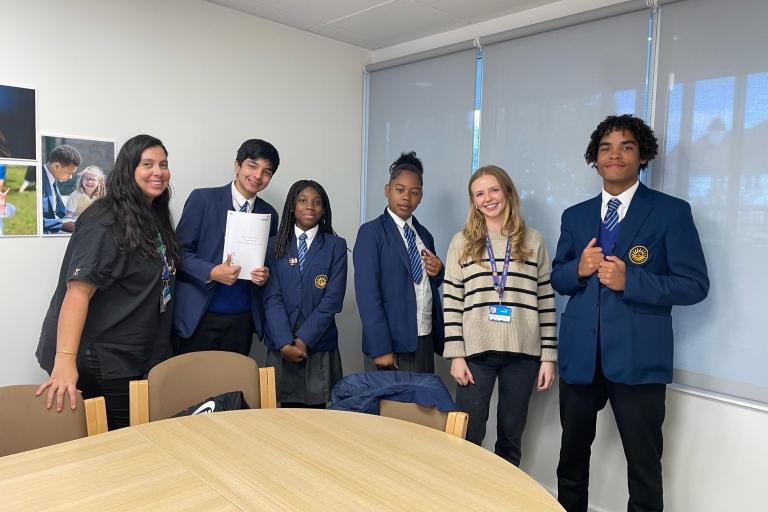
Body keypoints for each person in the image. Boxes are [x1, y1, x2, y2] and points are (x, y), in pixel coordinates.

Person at [552, 114, 709, 512]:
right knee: (570, 461)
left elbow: (694, 285)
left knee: (643, 466)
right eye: (605, 147)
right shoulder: (575, 215)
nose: (614, 154)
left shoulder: (671, 212)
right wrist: (579, 269)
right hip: (580, 360)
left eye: (626, 146)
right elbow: (559, 277)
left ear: (642, 156)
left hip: (639, 360)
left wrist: (632, 281)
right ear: (595, 159)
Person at [35, 134, 181, 430]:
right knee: (123, 444)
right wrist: (64, 362)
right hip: (106, 356)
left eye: (163, 164)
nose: (158, 172)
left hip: (140, 350)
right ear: (128, 169)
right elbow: (77, 293)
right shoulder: (105, 218)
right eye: (148, 164)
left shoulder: (152, 215)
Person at [442, 165, 557, 466]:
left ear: (507, 191)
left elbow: (545, 300)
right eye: (479, 194)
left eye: (494, 190)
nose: (488, 198)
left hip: (523, 353)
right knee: (467, 434)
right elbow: (452, 301)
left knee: (511, 436)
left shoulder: (533, 241)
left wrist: (548, 357)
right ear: (473, 201)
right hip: (475, 353)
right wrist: (456, 354)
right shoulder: (461, 243)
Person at [172, 139, 279, 356]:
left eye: (266, 172)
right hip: (199, 315)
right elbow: (179, 253)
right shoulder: (203, 199)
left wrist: (264, 274)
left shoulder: (269, 214)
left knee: (233, 386)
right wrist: (212, 272)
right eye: (252, 165)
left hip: (243, 318)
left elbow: (267, 262)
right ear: (237, 166)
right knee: (194, 386)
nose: (258, 176)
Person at [354, 151, 445, 372]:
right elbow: (367, 295)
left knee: (421, 404)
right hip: (390, 342)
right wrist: (380, 346)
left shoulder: (424, 234)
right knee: (389, 406)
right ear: (387, 190)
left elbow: (424, 284)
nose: (406, 197)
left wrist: (439, 272)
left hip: (423, 337)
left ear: (421, 196)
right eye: (400, 190)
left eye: (414, 192)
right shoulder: (371, 232)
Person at [263, 180, 347, 408]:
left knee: (317, 417)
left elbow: (333, 300)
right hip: (282, 344)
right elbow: (272, 298)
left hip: (317, 345)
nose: (310, 206)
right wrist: (284, 342)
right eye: (303, 201)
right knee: (282, 418)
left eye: (317, 202)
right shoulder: (273, 245)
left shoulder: (336, 246)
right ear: (292, 206)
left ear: (324, 210)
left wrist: (303, 340)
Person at [42, 144, 82, 234]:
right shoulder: (37, 179)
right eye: (69, 173)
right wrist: (61, 225)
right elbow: (34, 220)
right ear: (57, 166)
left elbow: (60, 211)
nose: (71, 177)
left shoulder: (52, 178)